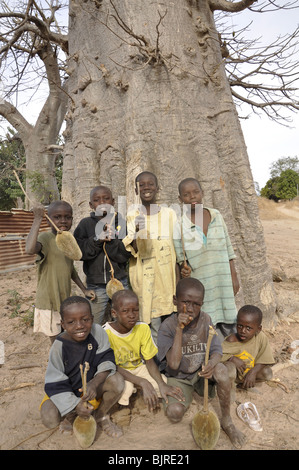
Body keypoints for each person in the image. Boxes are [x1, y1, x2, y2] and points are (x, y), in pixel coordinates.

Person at [157, 277, 245, 449]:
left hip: (201, 371)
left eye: (196, 304)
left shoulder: (205, 320)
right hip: (180, 377)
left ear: (202, 304)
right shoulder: (167, 327)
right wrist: (179, 330)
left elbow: (217, 351)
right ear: (175, 300)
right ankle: (193, 393)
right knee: (174, 414)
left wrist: (211, 363)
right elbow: (174, 364)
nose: (190, 309)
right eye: (185, 302)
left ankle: (227, 421)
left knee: (221, 371)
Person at [40, 295, 124, 438]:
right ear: (63, 324)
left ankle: (101, 416)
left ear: (92, 318)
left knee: (117, 381)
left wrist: (94, 382)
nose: (79, 326)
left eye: (85, 320)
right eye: (71, 322)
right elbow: (55, 382)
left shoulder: (97, 332)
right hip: (67, 391)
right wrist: (74, 405)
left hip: (90, 389)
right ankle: (71, 415)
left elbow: (106, 360)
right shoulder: (58, 346)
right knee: (50, 419)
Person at [174, 177, 239, 342]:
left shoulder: (216, 215)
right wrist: (184, 270)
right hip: (202, 282)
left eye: (196, 192)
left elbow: (228, 249)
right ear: (180, 199)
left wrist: (234, 276)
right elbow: (181, 259)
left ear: (202, 193)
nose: (192, 197)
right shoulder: (179, 225)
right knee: (208, 322)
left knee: (228, 322)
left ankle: (229, 356)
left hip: (222, 280)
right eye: (187, 195)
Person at [103, 290, 184, 412]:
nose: (131, 315)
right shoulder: (106, 333)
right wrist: (142, 382)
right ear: (114, 313)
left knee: (162, 384)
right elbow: (112, 366)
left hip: (138, 368)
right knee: (126, 388)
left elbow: (149, 362)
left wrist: (161, 384)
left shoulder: (143, 328)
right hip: (118, 372)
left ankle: (141, 397)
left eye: (135, 310)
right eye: (125, 311)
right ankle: (120, 409)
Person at [26, 201, 95, 343]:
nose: (63, 220)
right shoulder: (45, 238)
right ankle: (56, 364)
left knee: (67, 338)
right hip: (49, 302)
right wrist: (37, 219)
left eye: (67, 217)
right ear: (48, 219)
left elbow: (71, 270)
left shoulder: (67, 240)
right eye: (57, 217)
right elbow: (29, 249)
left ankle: (66, 363)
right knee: (56, 342)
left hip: (64, 301)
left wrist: (84, 289)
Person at [123, 171, 179, 344]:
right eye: (142, 185)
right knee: (152, 323)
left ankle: (169, 361)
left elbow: (177, 248)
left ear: (157, 188)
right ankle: (156, 363)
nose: (146, 187)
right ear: (136, 189)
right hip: (144, 279)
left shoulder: (169, 214)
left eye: (150, 184)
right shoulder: (132, 216)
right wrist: (138, 233)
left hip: (167, 278)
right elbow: (131, 248)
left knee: (171, 322)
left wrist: (178, 280)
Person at [74, 185, 131, 325]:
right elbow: (80, 252)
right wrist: (97, 239)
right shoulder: (85, 224)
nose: (102, 203)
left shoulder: (121, 223)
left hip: (120, 282)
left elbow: (125, 254)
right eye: (97, 200)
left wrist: (111, 242)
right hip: (96, 285)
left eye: (106, 199)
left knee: (125, 320)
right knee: (94, 323)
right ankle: (96, 346)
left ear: (113, 202)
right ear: (90, 204)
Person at [221, 305, 275, 389]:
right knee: (228, 370)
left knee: (267, 373)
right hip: (234, 376)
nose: (243, 331)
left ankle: (245, 383)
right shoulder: (232, 340)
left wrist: (253, 372)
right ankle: (232, 386)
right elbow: (217, 355)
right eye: (240, 326)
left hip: (249, 371)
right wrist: (231, 358)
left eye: (248, 328)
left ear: (258, 329)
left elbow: (265, 359)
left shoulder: (260, 337)